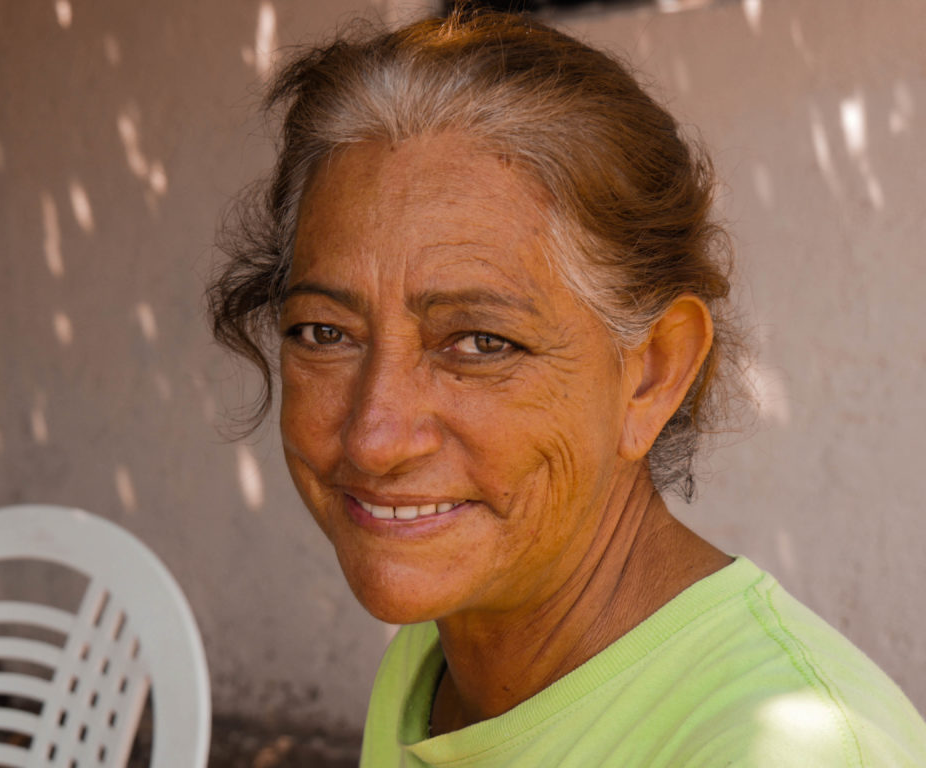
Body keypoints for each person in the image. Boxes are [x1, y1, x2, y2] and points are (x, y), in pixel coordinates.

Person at [209, 10, 926, 767]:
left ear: (651, 374)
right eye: (325, 333)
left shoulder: (777, 752)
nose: (373, 438)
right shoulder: (440, 652)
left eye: (482, 343)